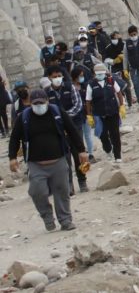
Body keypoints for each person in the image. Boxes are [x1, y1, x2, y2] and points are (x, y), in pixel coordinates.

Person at [8, 89, 86, 231]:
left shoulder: (57, 112)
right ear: (30, 104)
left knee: (62, 192)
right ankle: (47, 217)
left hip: (59, 160)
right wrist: (12, 158)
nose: (38, 105)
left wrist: (81, 151)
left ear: (47, 101)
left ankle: (65, 220)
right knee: (37, 192)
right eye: (35, 103)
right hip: (35, 164)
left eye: (41, 103)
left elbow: (72, 130)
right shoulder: (24, 117)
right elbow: (14, 138)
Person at [46, 66, 87, 193]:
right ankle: (69, 185)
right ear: (49, 78)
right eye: (54, 77)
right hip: (58, 129)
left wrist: (64, 117)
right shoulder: (47, 92)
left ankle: (82, 181)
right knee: (64, 158)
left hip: (74, 126)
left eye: (59, 76)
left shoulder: (70, 87)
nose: (57, 79)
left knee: (78, 154)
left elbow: (78, 104)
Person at [85, 62, 124, 163]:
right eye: (98, 74)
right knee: (102, 135)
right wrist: (89, 115)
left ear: (105, 73)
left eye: (102, 73)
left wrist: (122, 105)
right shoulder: (91, 85)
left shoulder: (111, 81)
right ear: (94, 74)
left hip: (113, 112)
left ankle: (118, 156)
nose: (100, 76)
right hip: (99, 114)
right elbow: (88, 101)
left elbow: (118, 93)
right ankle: (108, 150)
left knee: (115, 134)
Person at [68, 66, 94, 163]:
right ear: (75, 77)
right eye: (80, 76)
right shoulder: (71, 88)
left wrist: (90, 113)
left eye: (82, 76)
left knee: (88, 134)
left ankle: (91, 154)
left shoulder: (85, 86)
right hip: (76, 116)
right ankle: (82, 154)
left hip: (86, 113)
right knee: (79, 136)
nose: (82, 78)